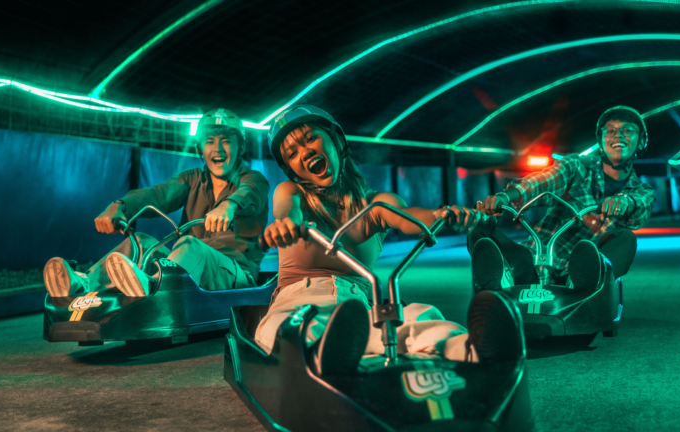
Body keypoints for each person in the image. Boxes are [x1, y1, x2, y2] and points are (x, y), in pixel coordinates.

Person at [254, 105, 524, 375]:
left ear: (335, 140)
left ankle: (472, 347)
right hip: (300, 299)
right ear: (291, 169)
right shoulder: (291, 192)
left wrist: (442, 215)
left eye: (311, 138)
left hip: (358, 306)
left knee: (416, 316)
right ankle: (332, 353)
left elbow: (410, 218)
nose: (305, 153)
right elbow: (285, 210)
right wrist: (284, 225)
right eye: (292, 154)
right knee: (280, 328)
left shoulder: (375, 205)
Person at [43, 108, 270, 297]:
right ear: (200, 148)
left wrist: (229, 205)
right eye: (210, 141)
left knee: (189, 244)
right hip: (187, 269)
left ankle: (153, 286)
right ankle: (83, 285)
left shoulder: (254, 180)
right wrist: (120, 206)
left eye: (226, 141)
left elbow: (249, 193)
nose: (218, 149)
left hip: (235, 274)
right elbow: (159, 195)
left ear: (240, 147)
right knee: (140, 241)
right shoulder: (191, 179)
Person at [471, 105, 656, 293]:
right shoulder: (576, 166)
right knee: (481, 230)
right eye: (610, 131)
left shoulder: (642, 191)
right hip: (535, 262)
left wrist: (625, 202)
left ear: (641, 142)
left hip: (581, 271)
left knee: (627, 239)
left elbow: (639, 205)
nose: (618, 136)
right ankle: (504, 277)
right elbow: (544, 181)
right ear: (601, 140)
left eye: (628, 131)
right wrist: (505, 196)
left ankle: (584, 281)